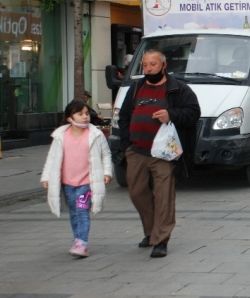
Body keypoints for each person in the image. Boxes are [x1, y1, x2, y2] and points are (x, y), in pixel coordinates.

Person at [118, 49, 201, 258]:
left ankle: (161, 239)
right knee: (137, 193)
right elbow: (125, 116)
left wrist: (170, 114)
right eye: (145, 65)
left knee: (164, 197)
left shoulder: (178, 89)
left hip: (164, 154)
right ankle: (151, 231)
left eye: (153, 64)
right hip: (137, 151)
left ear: (164, 66)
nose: (148, 69)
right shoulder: (136, 87)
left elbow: (193, 113)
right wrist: (127, 144)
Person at [40, 100, 113, 258]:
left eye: (87, 114)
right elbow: (52, 158)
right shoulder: (60, 136)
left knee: (81, 211)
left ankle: (82, 243)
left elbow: (105, 155)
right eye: (80, 114)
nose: (85, 117)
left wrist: (107, 173)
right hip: (68, 183)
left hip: (87, 182)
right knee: (74, 212)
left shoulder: (95, 135)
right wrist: (46, 176)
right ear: (69, 118)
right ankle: (77, 240)